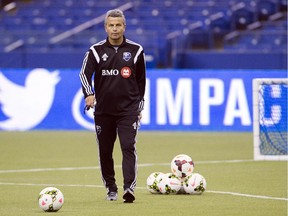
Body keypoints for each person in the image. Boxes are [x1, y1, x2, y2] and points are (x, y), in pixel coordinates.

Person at [79, 9, 146, 203]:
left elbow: (141, 81)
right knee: (105, 151)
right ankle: (111, 188)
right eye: (111, 25)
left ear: (124, 26)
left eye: (118, 25)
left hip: (128, 110)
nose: (115, 29)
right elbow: (84, 74)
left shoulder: (136, 50)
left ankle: (129, 189)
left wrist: (139, 107)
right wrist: (89, 93)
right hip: (104, 111)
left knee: (128, 146)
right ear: (105, 27)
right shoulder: (95, 51)